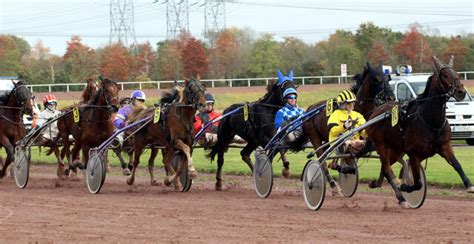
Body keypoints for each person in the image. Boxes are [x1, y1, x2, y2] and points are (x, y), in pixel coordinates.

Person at [326, 90, 367, 196]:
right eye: (349, 103)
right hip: (337, 142)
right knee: (348, 142)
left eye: (353, 103)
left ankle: (344, 161)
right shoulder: (335, 115)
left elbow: (364, 131)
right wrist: (344, 126)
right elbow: (332, 130)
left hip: (354, 141)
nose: (352, 105)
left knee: (364, 142)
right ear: (343, 104)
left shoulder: (358, 115)